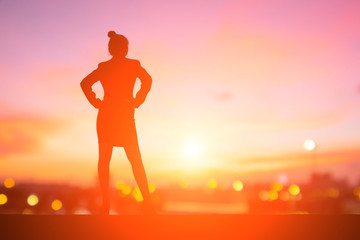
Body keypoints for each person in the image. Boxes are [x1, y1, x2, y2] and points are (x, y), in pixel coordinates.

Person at [80, 31, 154, 215]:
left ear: (111, 49)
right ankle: (147, 203)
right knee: (136, 161)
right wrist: (137, 100)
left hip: (107, 116)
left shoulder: (105, 67)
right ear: (125, 48)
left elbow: (84, 84)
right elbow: (148, 80)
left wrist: (97, 102)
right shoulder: (132, 65)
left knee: (105, 161)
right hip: (123, 115)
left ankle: (106, 203)